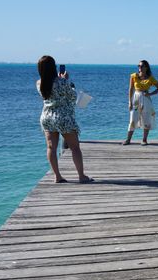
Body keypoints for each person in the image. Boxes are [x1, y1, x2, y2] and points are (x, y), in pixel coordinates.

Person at [36, 55, 93, 184]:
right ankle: (81, 176)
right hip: (63, 118)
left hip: (47, 117)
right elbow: (73, 96)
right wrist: (66, 80)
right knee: (75, 148)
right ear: (53, 68)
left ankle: (57, 176)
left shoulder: (39, 83)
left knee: (51, 147)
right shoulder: (62, 82)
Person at [123, 60, 158, 145]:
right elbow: (130, 89)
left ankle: (144, 140)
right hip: (136, 99)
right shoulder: (134, 76)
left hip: (146, 99)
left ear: (146, 67)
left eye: (141, 66)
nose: (139, 67)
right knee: (133, 118)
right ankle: (128, 139)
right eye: (139, 66)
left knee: (146, 119)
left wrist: (150, 94)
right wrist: (129, 102)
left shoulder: (150, 78)